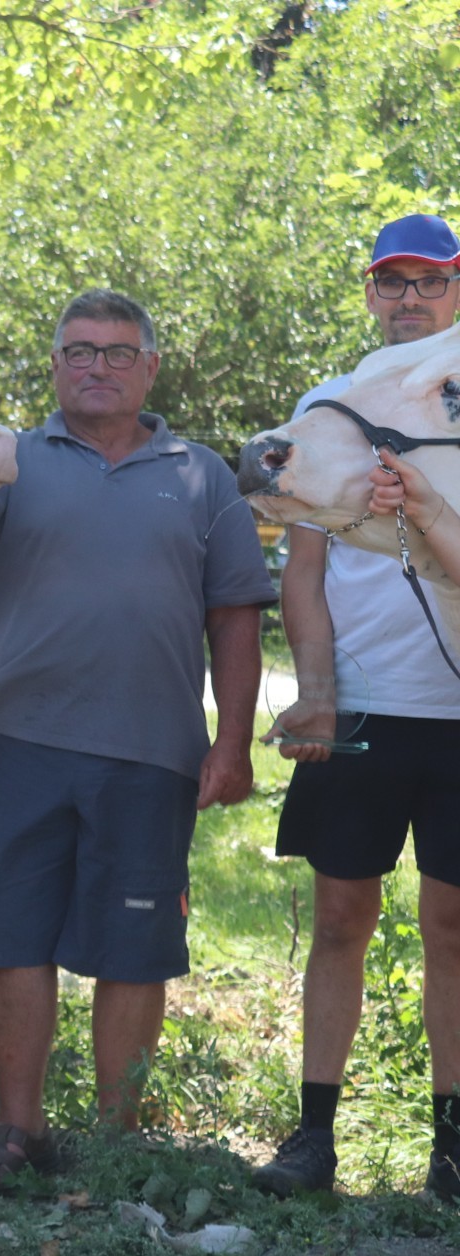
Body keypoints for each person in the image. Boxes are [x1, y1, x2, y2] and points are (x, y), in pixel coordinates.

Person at [0, 289, 273, 1191]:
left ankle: (117, 1144)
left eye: (117, 352)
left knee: (132, 949)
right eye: (79, 351)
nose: (97, 367)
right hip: (19, 740)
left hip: (153, 749)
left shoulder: (204, 476)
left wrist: (231, 744)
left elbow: (236, 618)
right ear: (55, 365)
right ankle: (18, 1131)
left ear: (151, 367)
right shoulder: (10, 459)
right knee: (14, 939)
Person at [254, 213, 460, 1201]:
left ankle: (450, 1150)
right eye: (391, 283)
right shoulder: (325, 408)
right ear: (368, 292)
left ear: (455, 292)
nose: (408, 299)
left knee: (452, 926)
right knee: (339, 915)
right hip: (366, 706)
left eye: (428, 282)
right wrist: (320, 694)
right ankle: (311, 1137)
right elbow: (301, 567)